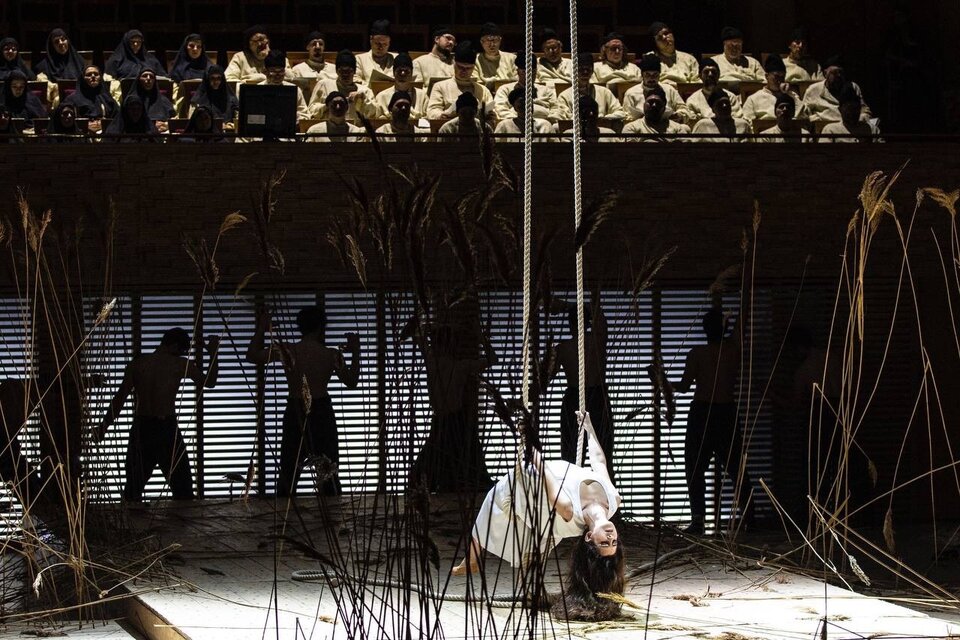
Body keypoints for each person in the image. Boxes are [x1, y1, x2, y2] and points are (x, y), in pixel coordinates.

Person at [452, 410, 624, 622]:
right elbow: (599, 463)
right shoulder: (614, 500)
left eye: (604, 542)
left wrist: (528, 440)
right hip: (550, 502)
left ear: (589, 537)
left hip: (535, 487)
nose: (610, 537)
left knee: (495, 499)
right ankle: (476, 561)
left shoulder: (567, 508)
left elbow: (544, 470)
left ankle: (473, 559)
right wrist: (589, 428)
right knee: (526, 536)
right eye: (613, 541)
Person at [652, 304, 755, 534]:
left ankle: (702, 520)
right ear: (724, 328)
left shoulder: (700, 353)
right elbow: (742, 321)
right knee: (732, 467)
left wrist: (661, 380)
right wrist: (661, 380)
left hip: (705, 412)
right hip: (722, 411)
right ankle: (749, 518)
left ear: (705, 329)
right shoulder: (732, 350)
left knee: (699, 467)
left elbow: (683, 386)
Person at [246, 305, 360, 496]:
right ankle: (332, 511)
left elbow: (252, 356)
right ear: (321, 327)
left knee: (289, 471)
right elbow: (352, 382)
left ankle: (285, 511)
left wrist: (262, 328)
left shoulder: (287, 350)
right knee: (328, 471)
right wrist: (356, 351)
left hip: (295, 409)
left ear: (300, 327)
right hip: (322, 411)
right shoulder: (331, 354)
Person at [96, 328, 220, 502]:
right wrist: (213, 353)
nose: (183, 354)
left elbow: (119, 399)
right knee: (183, 490)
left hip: (142, 428)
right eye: (182, 351)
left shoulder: (137, 364)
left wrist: (103, 427)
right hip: (166, 429)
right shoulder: (179, 364)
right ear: (175, 346)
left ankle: (133, 518)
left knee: (133, 489)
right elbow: (210, 382)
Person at [409, 319, 495, 492]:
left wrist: (422, 327)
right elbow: (492, 359)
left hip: (453, 424)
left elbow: (416, 336)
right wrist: (480, 336)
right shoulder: (451, 365)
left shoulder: (438, 363)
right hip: (449, 423)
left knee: (456, 470)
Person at [543, 299, 614, 479]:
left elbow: (543, 380)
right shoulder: (597, 340)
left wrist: (568, 307)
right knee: (602, 458)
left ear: (570, 324)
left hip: (582, 398)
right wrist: (570, 306)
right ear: (588, 322)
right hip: (592, 398)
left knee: (574, 457)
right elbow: (598, 313)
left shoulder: (563, 348)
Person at [426, 42, 493, 121]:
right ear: (454, 64)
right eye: (460, 67)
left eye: (468, 68)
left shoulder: (483, 90)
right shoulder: (440, 87)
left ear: (473, 68)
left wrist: (491, 115)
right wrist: (445, 114)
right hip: (449, 126)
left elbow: (491, 111)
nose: (463, 71)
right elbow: (432, 112)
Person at [308, 50, 377, 122]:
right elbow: (311, 111)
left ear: (354, 71)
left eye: (349, 71)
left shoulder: (365, 91)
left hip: (356, 128)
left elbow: (374, 114)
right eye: (342, 71)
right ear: (337, 71)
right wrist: (328, 105)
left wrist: (364, 99)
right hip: (329, 127)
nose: (345, 75)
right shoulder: (324, 85)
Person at [802, 56, 872, 123]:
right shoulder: (814, 89)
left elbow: (864, 110)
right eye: (834, 73)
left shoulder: (853, 87)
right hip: (824, 127)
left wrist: (861, 118)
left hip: (850, 126)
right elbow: (804, 115)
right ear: (825, 73)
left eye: (841, 73)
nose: (839, 76)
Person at [558, 52, 625, 121]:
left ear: (592, 71)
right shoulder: (564, 96)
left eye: (588, 69)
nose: (585, 73)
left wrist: (602, 119)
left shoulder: (604, 92)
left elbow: (620, 112)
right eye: (581, 70)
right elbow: (564, 118)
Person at [493, 53, 559, 123]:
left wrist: (549, 120)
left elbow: (556, 108)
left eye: (532, 72)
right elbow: (501, 109)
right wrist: (519, 121)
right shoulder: (505, 89)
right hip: (516, 122)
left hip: (544, 122)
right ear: (518, 72)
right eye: (524, 72)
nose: (529, 75)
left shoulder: (546, 90)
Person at [622, 54, 688, 123]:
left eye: (655, 75)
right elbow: (626, 116)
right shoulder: (631, 93)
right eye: (647, 74)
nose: (651, 78)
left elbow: (684, 109)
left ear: (659, 75)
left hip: (667, 126)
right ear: (642, 75)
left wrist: (678, 115)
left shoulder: (669, 90)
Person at [741, 54, 805, 124]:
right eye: (776, 76)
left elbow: (801, 115)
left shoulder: (791, 95)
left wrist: (788, 94)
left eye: (782, 77)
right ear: (767, 76)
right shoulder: (753, 99)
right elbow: (748, 123)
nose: (779, 80)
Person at [684, 58, 743, 125]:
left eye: (713, 72)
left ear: (719, 75)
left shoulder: (730, 97)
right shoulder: (692, 100)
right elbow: (692, 123)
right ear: (700, 76)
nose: (710, 74)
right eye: (706, 72)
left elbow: (738, 119)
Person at [63, 65, 119, 133]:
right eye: (88, 75)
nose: (93, 76)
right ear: (83, 78)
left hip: (106, 134)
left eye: (96, 74)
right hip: (81, 134)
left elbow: (117, 118)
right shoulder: (72, 98)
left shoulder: (107, 98)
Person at [226, 25, 290, 84]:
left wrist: (269, 57)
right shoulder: (240, 57)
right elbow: (229, 80)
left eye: (263, 40)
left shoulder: (278, 57)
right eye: (256, 41)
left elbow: (290, 78)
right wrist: (250, 80)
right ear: (249, 44)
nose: (260, 44)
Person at [622, 86, 689, 141]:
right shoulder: (631, 128)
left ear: (664, 108)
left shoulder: (678, 128)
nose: (654, 105)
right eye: (650, 102)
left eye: (658, 103)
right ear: (644, 105)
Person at [260, 50, 310, 122]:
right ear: (265, 71)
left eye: (281, 71)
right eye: (274, 72)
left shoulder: (294, 90)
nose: (277, 76)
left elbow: (304, 114)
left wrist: (292, 117)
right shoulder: (257, 89)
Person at [374, 53, 427, 120]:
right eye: (399, 71)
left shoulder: (422, 96)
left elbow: (428, 119)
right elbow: (377, 121)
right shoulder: (382, 96)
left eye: (406, 71)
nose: (403, 74)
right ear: (393, 73)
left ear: (412, 73)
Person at [135, 68, 175, 132]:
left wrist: (166, 125)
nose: (148, 78)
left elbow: (174, 119)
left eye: (151, 77)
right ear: (139, 80)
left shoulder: (163, 100)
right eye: (144, 76)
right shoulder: (132, 100)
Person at [356, 19, 395, 83]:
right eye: (377, 44)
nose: (381, 48)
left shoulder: (396, 59)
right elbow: (355, 79)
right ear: (371, 40)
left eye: (384, 44)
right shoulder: (359, 59)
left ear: (389, 42)